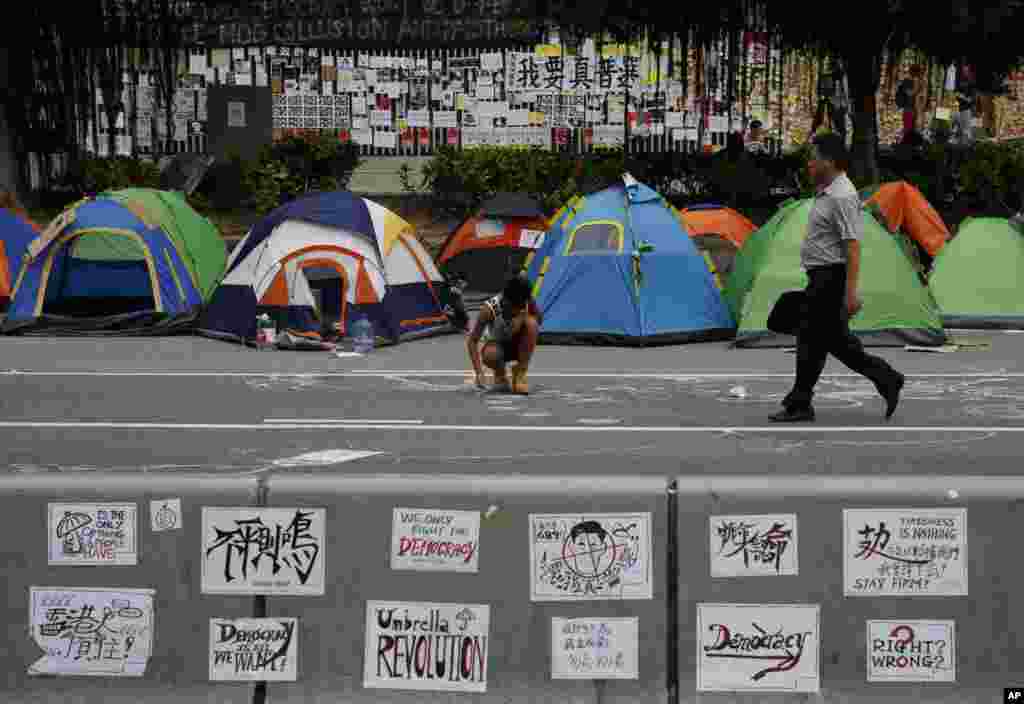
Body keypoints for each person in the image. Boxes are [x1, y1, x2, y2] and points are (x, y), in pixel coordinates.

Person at [771, 133, 905, 423]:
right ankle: (882, 379)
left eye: (813, 158)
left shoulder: (842, 196)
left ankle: (803, 401)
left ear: (829, 162)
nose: (809, 164)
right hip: (820, 276)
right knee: (822, 340)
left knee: (819, 339)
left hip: (830, 278)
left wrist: (850, 293)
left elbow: (852, 244)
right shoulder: (827, 191)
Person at [467, 274, 541, 395]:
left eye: (521, 307)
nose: (518, 310)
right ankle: (500, 375)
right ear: (506, 300)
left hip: (519, 347)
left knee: (532, 324)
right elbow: (472, 341)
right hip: (498, 347)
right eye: (514, 308)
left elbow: (539, 320)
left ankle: (520, 373)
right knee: (490, 354)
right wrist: (479, 373)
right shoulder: (489, 309)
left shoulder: (526, 300)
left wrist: (523, 318)